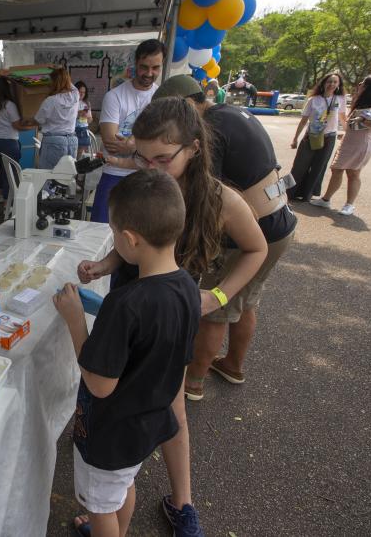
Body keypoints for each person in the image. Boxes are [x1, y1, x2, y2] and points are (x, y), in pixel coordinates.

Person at [78, 98, 267, 535]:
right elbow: (130, 235)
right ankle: (114, 490)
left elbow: (257, 249)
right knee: (122, 399)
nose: (151, 168)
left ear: (194, 149)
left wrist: (216, 297)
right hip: (132, 299)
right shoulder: (149, 183)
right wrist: (106, 266)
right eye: (142, 157)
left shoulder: (220, 199)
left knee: (169, 403)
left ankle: (182, 503)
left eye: (163, 158)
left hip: (172, 310)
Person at [54, 169, 202, 537]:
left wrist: (76, 321)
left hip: (110, 434)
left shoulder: (125, 303)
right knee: (121, 489)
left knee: (100, 506)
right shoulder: (188, 288)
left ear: (130, 239)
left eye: (113, 233)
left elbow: (99, 385)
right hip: (146, 425)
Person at [153, 75, 297, 400]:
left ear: (189, 104)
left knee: (216, 305)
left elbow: (200, 200)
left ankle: (192, 383)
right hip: (279, 222)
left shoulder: (208, 131)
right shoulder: (231, 113)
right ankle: (232, 365)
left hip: (251, 230)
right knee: (244, 300)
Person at [92, 39, 166, 223]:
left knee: (141, 238)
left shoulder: (162, 99)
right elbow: (111, 142)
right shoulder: (114, 96)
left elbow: (163, 146)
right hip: (114, 174)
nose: (149, 73)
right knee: (100, 232)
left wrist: (134, 145)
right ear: (135, 63)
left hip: (148, 178)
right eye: (144, 67)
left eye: (155, 68)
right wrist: (147, 147)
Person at [310, 76, 371, 216]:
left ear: (370, 87)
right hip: (349, 141)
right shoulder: (361, 101)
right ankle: (326, 199)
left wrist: (362, 122)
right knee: (336, 169)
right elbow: (350, 121)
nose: (360, 85)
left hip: (362, 143)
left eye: (363, 83)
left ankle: (349, 205)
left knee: (353, 173)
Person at [288, 73, 347, 202]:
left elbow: (342, 118)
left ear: (338, 85)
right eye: (329, 82)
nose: (331, 84)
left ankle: (307, 195)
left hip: (329, 136)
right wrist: (295, 138)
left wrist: (347, 132)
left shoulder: (340, 99)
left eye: (335, 82)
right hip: (312, 136)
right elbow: (304, 120)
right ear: (323, 83)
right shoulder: (313, 100)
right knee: (300, 165)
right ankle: (291, 192)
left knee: (319, 167)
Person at [0, 76, 37, 202]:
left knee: (4, 170)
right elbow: (17, 126)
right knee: (11, 174)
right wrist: (35, 125)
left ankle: (2, 196)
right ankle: (7, 203)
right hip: (8, 143)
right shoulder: (9, 105)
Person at [34, 67, 79, 169]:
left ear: (54, 82)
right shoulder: (76, 95)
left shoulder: (51, 100)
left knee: (48, 176)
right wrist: (62, 73)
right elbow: (72, 86)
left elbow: (38, 120)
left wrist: (28, 120)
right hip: (72, 141)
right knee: (66, 176)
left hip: (53, 141)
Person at [74, 81, 93, 158]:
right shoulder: (71, 102)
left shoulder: (86, 103)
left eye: (84, 92)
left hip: (83, 128)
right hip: (73, 129)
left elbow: (90, 119)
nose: (82, 94)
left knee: (81, 150)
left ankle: (77, 164)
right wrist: (77, 115)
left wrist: (86, 118)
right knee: (72, 150)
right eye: (80, 92)